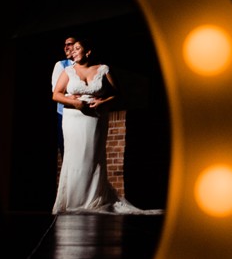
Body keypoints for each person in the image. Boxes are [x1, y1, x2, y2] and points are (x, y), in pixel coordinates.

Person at [50, 34, 158, 215]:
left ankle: (93, 198)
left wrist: (102, 103)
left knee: (92, 157)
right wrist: (75, 103)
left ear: (88, 51)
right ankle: (72, 200)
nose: (73, 52)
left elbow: (117, 94)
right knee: (74, 158)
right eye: (72, 49)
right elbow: (56, 94)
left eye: (77, 49)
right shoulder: (67, 71)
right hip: (73, 119)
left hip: (95, 119)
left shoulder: (103, 69)